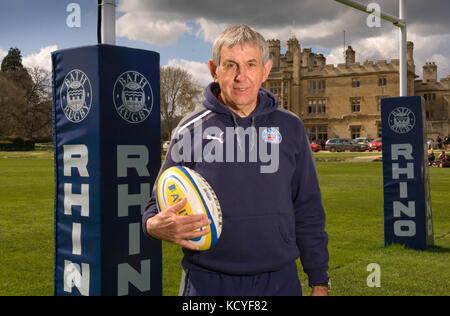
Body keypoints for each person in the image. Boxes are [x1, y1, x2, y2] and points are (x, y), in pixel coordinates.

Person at [142, 24, 329, 296]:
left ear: (266, 69)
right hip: (207, 281)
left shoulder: (290, 127)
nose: (241, 76)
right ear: (214, 69)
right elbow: (155, 205)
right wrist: (153, 226)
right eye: (230, 65)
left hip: (279, 281)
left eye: (250, 64)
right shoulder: (190, 129)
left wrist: (319, 280)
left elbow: (308, 208)